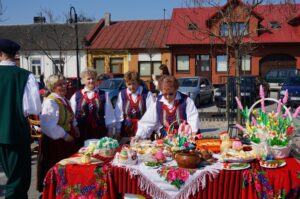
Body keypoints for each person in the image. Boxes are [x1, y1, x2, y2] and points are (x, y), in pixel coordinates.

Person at [0, 38, 42, 199]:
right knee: (18, 180)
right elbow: (33, 108)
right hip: (15, 134)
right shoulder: (25, 76)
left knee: (12, 176)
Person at [38, 74, 80, 192]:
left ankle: (65, 191)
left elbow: (71, 117)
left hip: (65, 139)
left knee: (67, 168)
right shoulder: (51, 102)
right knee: (57, 168)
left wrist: (75, 127)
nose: (64, 86)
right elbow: (48, 126)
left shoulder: (64, 100)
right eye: (60, 84)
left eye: (64, 83)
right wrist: (65, 135)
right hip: (55, 142)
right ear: (53, 87)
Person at [132, 75, 200, 141]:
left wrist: (193, 133)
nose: (168, 97)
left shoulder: (186, 101)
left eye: (171, 94)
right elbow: (147, 123)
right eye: (165, 94)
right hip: (165, 140)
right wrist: (138, 136)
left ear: (176, 89)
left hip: (184, 139)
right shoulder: (158, 103)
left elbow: (193, 119)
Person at [70, 68, 115, 146]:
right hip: (82, 131)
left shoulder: (104, 95)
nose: (91, 81)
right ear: (83, 80)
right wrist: (75, 127)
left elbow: (109, 113)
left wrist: (110, 129)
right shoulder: (76, 95)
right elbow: (72, 114)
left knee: (98, 153)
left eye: (93, 78)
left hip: (99, 130)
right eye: (88, 79)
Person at [115, 71, 155, 142]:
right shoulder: (122, 94)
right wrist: (118, 131)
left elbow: (152, 114)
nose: (131, 87)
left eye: (134, 83)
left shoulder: (147, 94)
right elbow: (118, 114)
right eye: (129, 84)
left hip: (143, 128)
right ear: (126, 84)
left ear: (138, 82)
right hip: (126, 129)